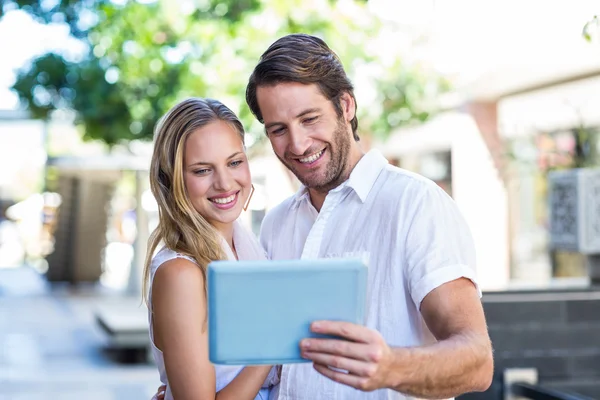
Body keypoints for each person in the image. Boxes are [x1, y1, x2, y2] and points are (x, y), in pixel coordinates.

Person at [155, 33, 493, 400]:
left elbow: (477, 361)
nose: (298, 144)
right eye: (278, 129)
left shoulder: (415, 203)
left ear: (346, 106)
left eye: (309, 118)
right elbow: (269, 361)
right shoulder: (276, 224)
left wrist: (391, 367)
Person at [144, 97, 279, 400]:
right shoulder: (181, 272)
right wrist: (277, 342)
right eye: (202, 170)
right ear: (172, 178)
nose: (224, 182)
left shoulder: (248, 247)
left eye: (234, 162)